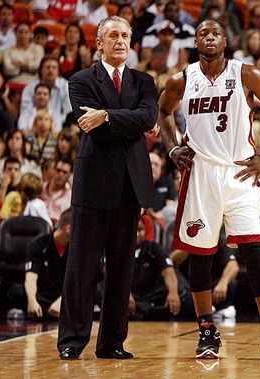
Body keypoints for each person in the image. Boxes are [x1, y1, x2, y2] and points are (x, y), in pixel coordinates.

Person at [157, 20, 260, 360]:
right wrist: (172, 148)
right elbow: (162, 112)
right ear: (196, 40)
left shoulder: (245, 74)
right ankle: (206, 331)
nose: (210, 37)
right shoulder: (182, 79)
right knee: (200, 256)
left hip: (240, 173)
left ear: (225, 40)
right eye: (203, 32)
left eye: (216, 32)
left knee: (255, 253)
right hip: (200, 174)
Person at [57, 16, 158, 361]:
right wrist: (123, 121)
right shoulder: (81, 79)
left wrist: (109, 116)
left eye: (125, 35)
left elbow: (147, 117)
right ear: (99, 43)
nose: (120, 41)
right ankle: (71, 340)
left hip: (131, 185)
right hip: (94, 183)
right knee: (81, 267)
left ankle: (112, 342)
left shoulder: (144, 80)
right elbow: (92, 127)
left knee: (121, 268)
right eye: (113, 35)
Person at [7, 208, 71, 319]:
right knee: (16, 291)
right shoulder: (38, 244)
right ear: (68, 229)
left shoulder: (78, 249)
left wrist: (63, 301)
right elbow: (31, 277)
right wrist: (32, 300)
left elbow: (78, 281)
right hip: (42, 292)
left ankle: (53, 310)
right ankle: (42, 310)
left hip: (64, 294)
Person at [129, 218, 182, 320]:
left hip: (150, 293)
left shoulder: (153, 248)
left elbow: (168, 271)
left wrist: (173, 292)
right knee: (101, 288)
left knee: (178, 290)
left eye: (140, 230)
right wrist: (125, 295)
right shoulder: (118, 248)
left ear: (145, 230)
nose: (137, 234)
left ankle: (144, 310)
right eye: (134, 230)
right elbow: (110, 275)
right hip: (128, 293)